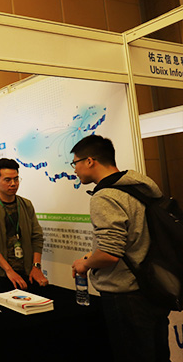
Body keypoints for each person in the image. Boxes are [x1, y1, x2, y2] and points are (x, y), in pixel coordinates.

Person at [70, 134, 170, 362]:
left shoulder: (105, 196)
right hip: (154, 286)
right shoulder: (142, 186)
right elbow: (134, 238)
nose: (74, 170)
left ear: (89, 161)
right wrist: (92, 254)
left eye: (75, 163)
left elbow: (109, 254)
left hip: (126, 295)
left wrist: (85, 263)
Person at [0, 158, 47, 293]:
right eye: (7, 180)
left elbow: (37, 236)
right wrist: (9, 270)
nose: (13, 184)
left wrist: (36, 266)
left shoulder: (26, 205)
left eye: (16, 179)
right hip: (1, 274)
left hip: (28, 272)